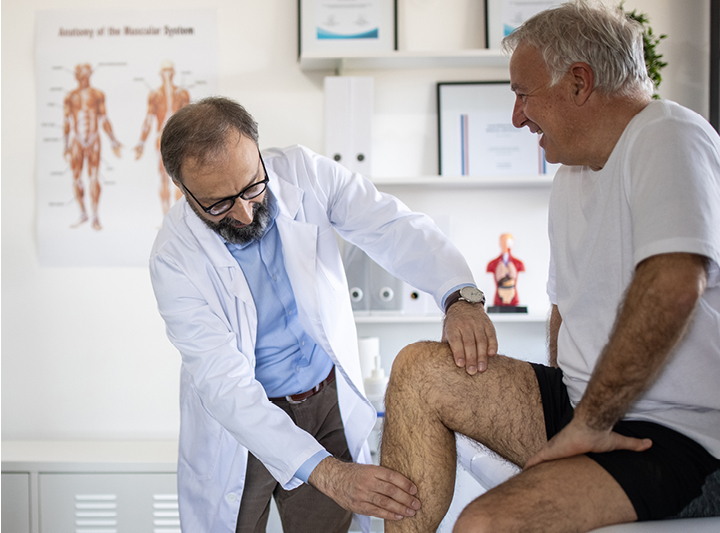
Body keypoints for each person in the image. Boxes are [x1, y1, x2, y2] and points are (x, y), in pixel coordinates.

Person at [379, 2, 720, 532]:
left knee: (485, 523)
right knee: (418, 370)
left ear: (579, 82)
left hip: (700, 439)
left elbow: (672, 286)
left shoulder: (669, 136)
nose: (517, 117)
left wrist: (591, 421)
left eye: (523, 94)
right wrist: (573, 411)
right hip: (592, 409)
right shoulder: (571, 176)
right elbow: (565, 311)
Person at [148, 96, 497, 533]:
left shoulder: (304, 173)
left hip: (325, 402)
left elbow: (391, 225)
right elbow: (225, 385)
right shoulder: (173, 258)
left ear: (258, 151)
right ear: (183, 191)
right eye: (218, 204)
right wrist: (328, 472)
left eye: (252, 186)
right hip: (243, 423)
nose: (244, 211)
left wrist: (459, 295)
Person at [63, 63, 123, 230]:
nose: (83, 77)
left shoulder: (97, 94)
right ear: (77, 76)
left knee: (94, 177)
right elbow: (67, 121)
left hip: (94, 139)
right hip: (77, 140)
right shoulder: (70, 96)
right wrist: (65, 146)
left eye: (86, 74)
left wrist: (113, 140)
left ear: (89, 74)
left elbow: (104, 118)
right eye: (80, 74)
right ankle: (83, 213)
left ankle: (95, 216)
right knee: (76, 178)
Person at [134, 60, 191, 215]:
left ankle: (179, 216)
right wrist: (141, 143)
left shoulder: (182, 94)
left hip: (180, 139)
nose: (167, 75)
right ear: (160, 74)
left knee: (181, 179)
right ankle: (166, 216)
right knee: (164, 177)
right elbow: (148, 120)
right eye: (164, 72)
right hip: (162, 138)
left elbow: (190, 121)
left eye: (169, 71)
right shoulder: (155, 95)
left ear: (173, 73)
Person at [486, 232, 525, 308]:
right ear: (500, 243)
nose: (506, 244)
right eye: (503, 241)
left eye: (508, 242)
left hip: (513, 297)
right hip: (499, 298)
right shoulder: (493, 263)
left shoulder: (518, 263)